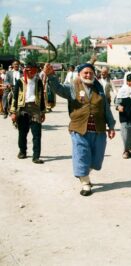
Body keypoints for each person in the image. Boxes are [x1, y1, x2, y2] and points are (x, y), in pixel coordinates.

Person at [43, 62, 116, 196]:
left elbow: (106, 109)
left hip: (98, 130)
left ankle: (84, 174)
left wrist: (111, 126)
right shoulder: (73, 87)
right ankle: (85, 183)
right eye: (85, 73)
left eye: (91, 73)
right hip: (79, 129)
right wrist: (51, 76)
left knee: (96, 160)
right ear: (79, 74)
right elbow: (58, 89)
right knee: (81, 154)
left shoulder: (99, 89)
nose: (88, 75)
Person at [9, 62, 46, 164]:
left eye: (33, 70)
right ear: (25, 70)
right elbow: (15, 97)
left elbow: (42, 97)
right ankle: (22, 151)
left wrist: (43, 112)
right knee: (22, 132)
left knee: (37, 133)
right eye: (28, 70)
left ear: (36, 71)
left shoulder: (38, 81)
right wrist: (13, 112)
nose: (30, 73)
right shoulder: (20, 81)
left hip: (35, 108)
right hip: (23, 108)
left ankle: (36, 156)